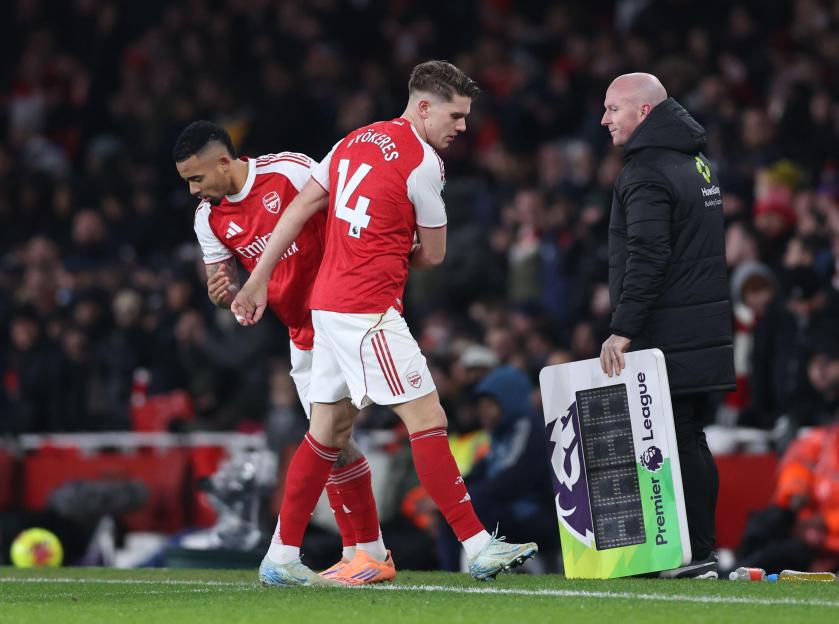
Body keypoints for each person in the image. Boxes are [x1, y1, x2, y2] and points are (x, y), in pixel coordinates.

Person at [232, 60, 538, 587]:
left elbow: (303, 205)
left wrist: (257, 278)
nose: (462, 127)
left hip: (324, 307)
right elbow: (435, 255)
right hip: (368, 310)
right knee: (427, 418)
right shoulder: (424, 162)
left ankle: (281, 553)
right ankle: (478, 545)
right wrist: (397, 250)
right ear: (423, 107)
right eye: (455, 115)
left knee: (325, 431)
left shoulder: (353, 140)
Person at [172, 121, 389, 585]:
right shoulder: (208, 219)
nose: (193, 190)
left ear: (224, 162)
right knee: (336, 442)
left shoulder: (290, 172)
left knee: (326, 433)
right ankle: (366, 553)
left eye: (197, 178)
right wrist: (221, 293)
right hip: (299, 331)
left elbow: (350, 214)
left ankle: (304, 551)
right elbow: (226, 289)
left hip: (341, 314)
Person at [599, 73, 735, 579]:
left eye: (613, 109)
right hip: (702, 327)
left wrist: (622, 328)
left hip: (667, 333)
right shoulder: (697, 162)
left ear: (643, 112)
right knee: (686, 437)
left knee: (671, 437)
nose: (605, 119)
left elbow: (649, 255)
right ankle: (694, 553)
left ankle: (690, 554)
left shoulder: (646, 171)